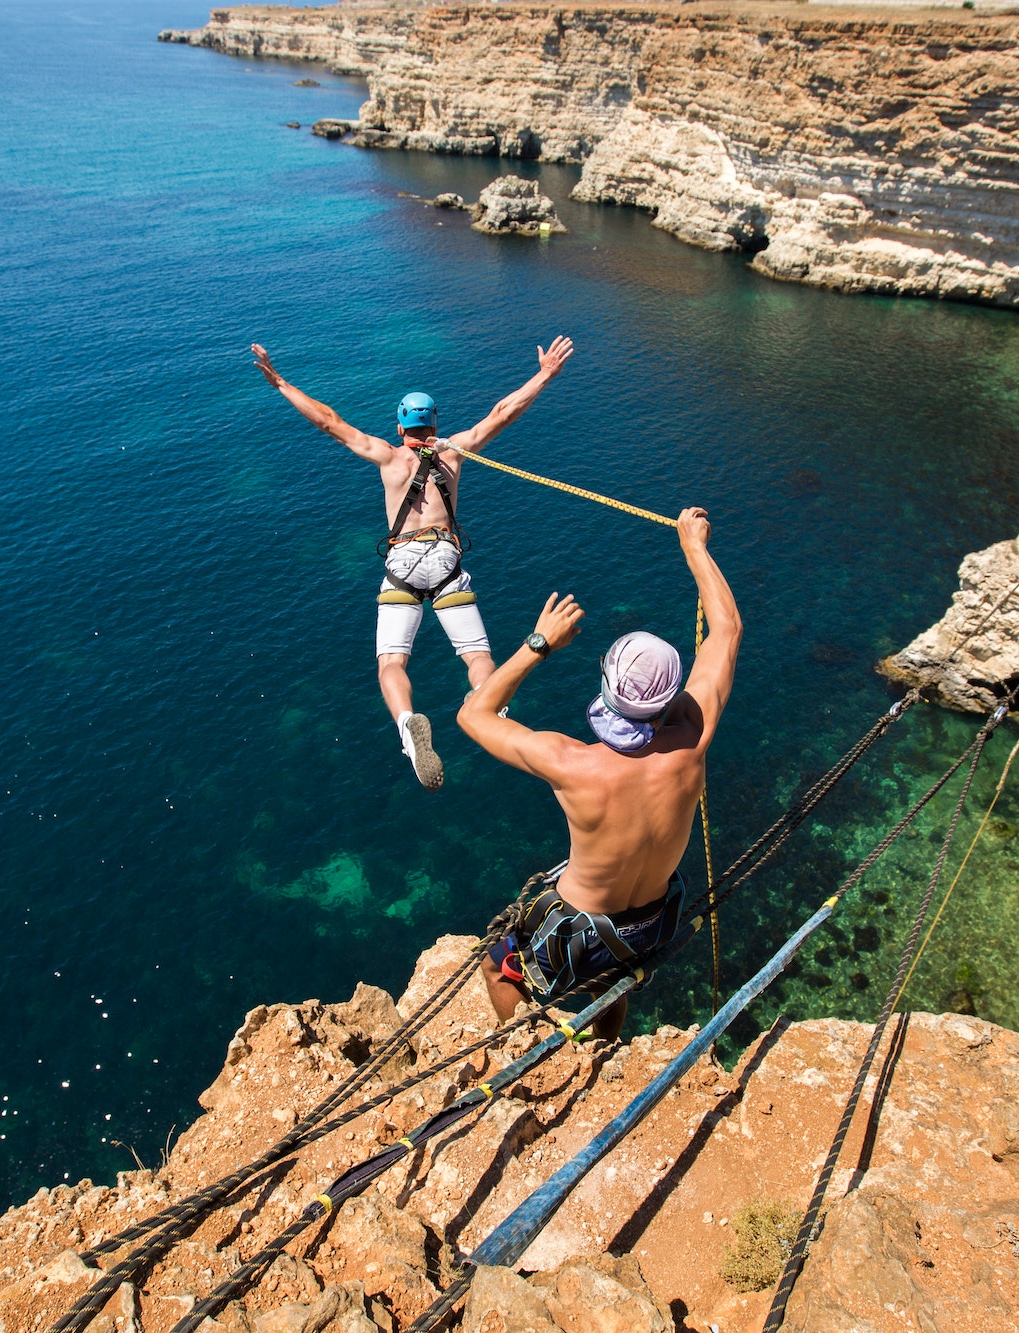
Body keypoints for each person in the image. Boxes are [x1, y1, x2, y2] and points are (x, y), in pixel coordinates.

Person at [459, 507, 740, 1041]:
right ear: (671, 697)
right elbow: (726, 632)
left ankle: (524, 1054)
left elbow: (473, 714)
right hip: (653, 923)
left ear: (607, 691)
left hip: (577, 930)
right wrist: (695, 548)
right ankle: (606, 1048)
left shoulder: (573, 764)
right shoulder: (692, 739)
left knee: (496, 964)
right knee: (613, 983)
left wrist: (539, 644)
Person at [251, 338, 575, 789]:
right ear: (435, 422)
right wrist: (545, 374)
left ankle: (408, 726)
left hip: (402, 564)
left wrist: (280, 381)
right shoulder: (455, 451)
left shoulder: (386, 455)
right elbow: (503, 412)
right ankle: (492, 707)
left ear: (400, 426)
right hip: (445, 559)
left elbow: (330, 422)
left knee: (391, 664)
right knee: (476, 655)